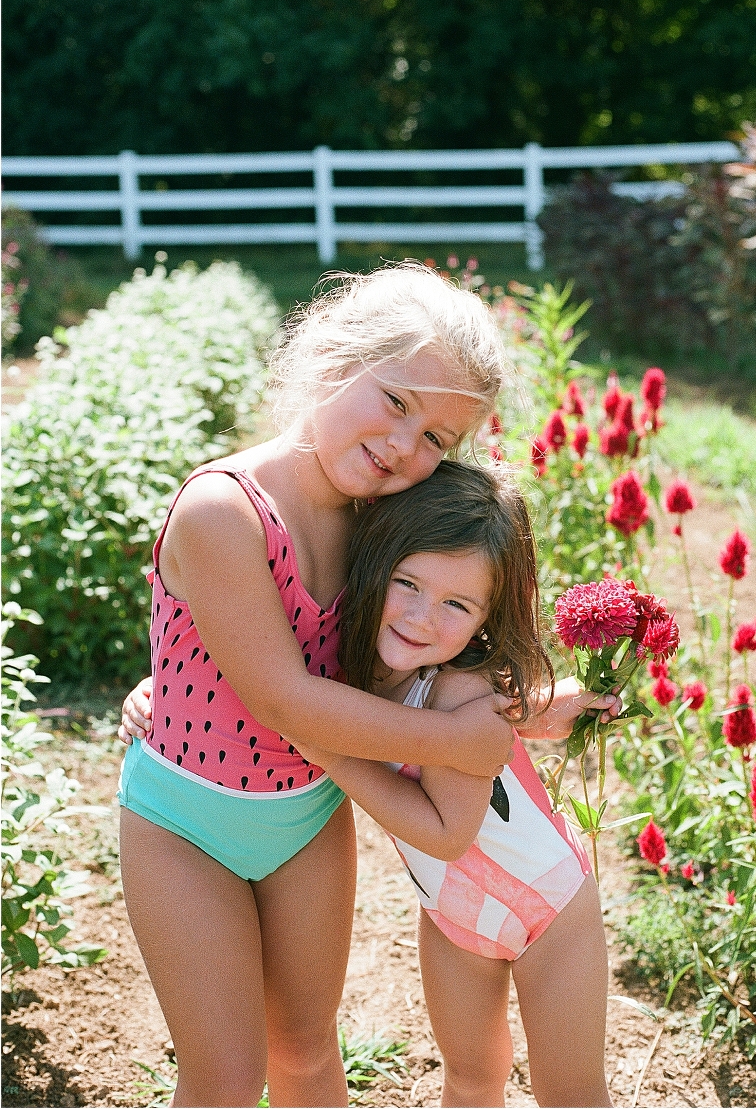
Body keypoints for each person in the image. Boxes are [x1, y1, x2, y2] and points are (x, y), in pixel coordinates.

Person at [118, 262, 619, 1107]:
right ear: (333, 356)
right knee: (227, 1078)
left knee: (309, 1052)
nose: (403, 446)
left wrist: (523, 710)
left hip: (307, 819)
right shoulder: (224, 509)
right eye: (396, 403)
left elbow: (405, 670)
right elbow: (283, 697)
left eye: (435, 439)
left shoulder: (375, 526)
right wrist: (459, 743)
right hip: (185, 826)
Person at [294, 460, 612, 1109]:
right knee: (468, 1080)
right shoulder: (358, 666)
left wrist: (322, 745)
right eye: (407, 582)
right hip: (452, 919)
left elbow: (447, 833)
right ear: (373, 562)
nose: (420, 617)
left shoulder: (459, 689)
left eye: (456, 605)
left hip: (549, 912)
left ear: (486, 616)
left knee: (571, 1094)